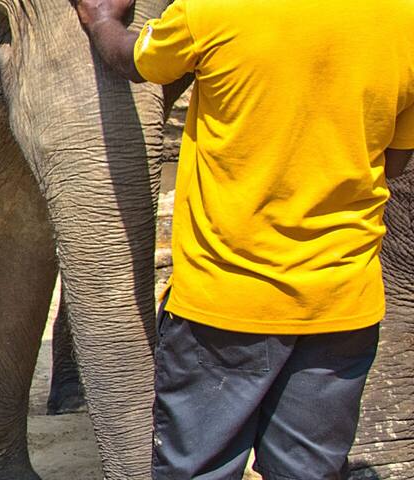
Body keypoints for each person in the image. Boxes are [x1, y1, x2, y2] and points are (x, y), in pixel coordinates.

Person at [72, 0, 414, 478]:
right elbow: (393, 163)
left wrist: (102, 21)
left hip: (223, 306)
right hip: (340, 305)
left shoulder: (213, 10)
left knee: (198, 470)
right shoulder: (402, 18)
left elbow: (136, 60)